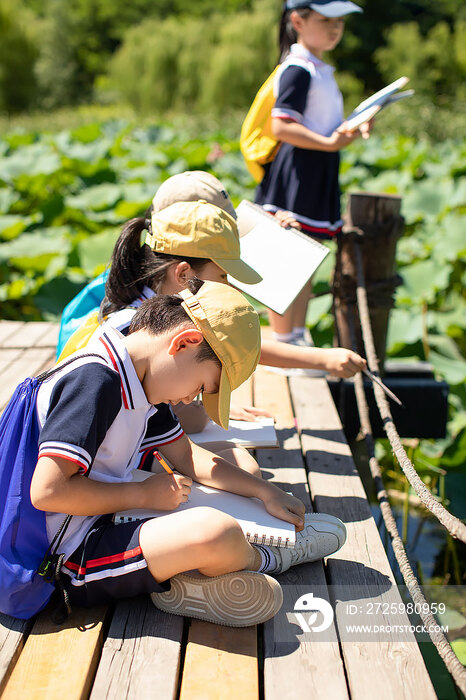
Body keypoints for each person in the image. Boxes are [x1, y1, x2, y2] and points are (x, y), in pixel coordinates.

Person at [29, 279, 346, 626]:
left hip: (107, 520)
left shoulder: (140, 379)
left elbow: (188, 456)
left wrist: (264, 492)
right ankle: (267, 557)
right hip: (69, 557)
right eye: (199, 387)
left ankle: (190, 579)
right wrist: (142, 493)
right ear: (185, 342)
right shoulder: (96, 382)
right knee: (215, 532)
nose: (187, 400)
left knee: (227, 495)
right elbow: (49, 492)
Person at [254, 0, 369, 349]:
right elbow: (281, 126)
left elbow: (321, 124)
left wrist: (348, 129)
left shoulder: (318, 68)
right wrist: (330, 143)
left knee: (307, 258)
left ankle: (295, 335)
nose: (335, 27)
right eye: (325, 19)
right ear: (297, 21)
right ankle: (285, 341)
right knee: (286, 257)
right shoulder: (298, 67)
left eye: (340, 21)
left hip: (316, 166)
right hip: (299, 169)